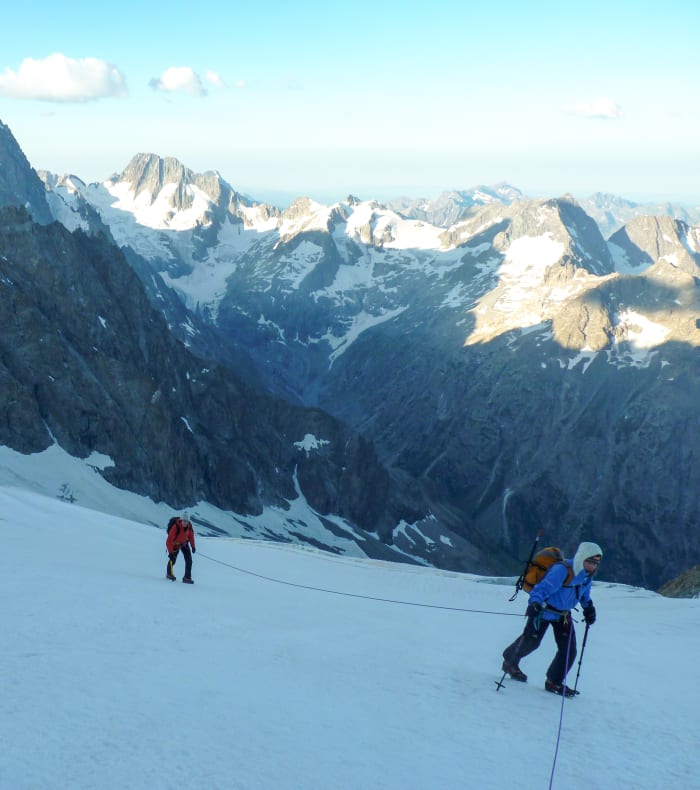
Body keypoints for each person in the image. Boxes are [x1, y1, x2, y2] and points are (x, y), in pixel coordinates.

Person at [501, 541, 602, 696]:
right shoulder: (562, 570)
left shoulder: (586, 577)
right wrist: (534, 603)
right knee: (532, 641)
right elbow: (543, 588)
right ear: (581, 557)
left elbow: (584, 594)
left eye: (595, 563)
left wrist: (588, 608)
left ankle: (553, 682)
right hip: (543, 610)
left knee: (568, 650)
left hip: (563, 615)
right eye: (589, 561)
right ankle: (510, 661)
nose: (592, 566)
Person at [166, 512, 196, 584]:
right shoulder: (176, 527)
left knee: (189, 560)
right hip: (175, 544)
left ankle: (187, 577)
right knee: (173, 559)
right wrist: (170, 552)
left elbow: (191, 536)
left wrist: (193, 546)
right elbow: (169, 541)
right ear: (181, 520)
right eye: (184, 521)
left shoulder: (189, 526)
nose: (185, 523)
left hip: (184, 544)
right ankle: (169, 574)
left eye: (186, 521)